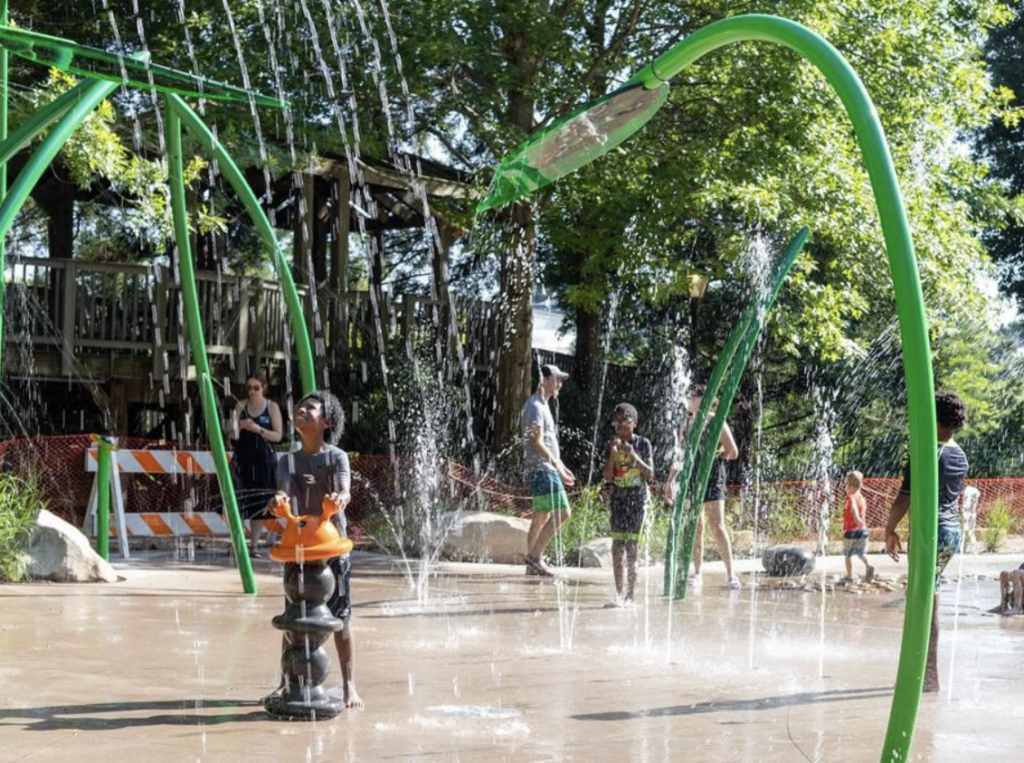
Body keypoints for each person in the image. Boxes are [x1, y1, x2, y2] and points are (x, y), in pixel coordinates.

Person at [269, 389, 363, 709]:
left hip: (332, 549)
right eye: (299, 407)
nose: (302, 410)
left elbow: (345, 490)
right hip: (298, 549)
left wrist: (340, 498)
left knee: (340, 616)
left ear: (326, 421)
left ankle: (350, 686)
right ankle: (284, 683)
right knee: (294, 615)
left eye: (311, 408)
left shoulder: (336, 457)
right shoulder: (288, 460)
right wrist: (279, 500)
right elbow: (282, 491)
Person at [884, 390, 968, 694]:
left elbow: (904, 497)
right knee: (929, 595)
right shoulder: (959, 453)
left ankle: (927, 675)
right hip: (951, 532)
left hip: (930, 533)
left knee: (923, 601)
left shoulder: (927, 452)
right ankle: (927, 672)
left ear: (932, 415)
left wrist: (889, 529)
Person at [663, 386, 741, 589]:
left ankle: (731, 574)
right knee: (695, 525)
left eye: (693, 396)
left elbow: (733, 452)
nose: (689, 399)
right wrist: (670, 480)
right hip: (691, 476)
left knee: (718, 525)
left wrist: (717, 454)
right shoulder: (686, 424)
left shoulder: (716, 420)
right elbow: (679, 455)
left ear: (704, 398)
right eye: (688, 396)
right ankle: (697, 572)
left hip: (712, 474)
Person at [521, 364, 576, 577]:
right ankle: (535, 557)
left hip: (543, 468)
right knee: (563, 513)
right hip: (542, 469)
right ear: (544, 380)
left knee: (541, 517)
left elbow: (545, 441)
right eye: (557, 379)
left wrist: (561, 466)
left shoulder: (542, 405)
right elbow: (535, 441)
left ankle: (532, 564)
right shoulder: (535, 406)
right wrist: (556, 466)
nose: (560, 383)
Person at [602, 403, 654, 606]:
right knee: (617, 547)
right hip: (618, 500)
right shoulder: (613, 445)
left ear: (635, 423)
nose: (621, 428)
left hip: (637, 500)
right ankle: (619, 594)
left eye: (625, 423)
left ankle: (630, 595)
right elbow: (607, 476)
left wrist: (633, 455)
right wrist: (613, 455)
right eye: (617, 424)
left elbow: (650, 473)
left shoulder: (643, 444)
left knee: (632, 547)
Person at [227, 373, 283, 555]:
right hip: (243, 457)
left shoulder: (272, 407)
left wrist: (258, 429)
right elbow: (230, 434)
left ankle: (253, 545)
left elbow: (278, 436)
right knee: (238, 499)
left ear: (264, 388)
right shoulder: (240, 405)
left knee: (259, 504)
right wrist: (240, 426)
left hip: (263, 460)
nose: (252, 391)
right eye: (249, 387)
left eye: (256, 388)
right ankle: (238, 542)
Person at [841, 470, 875, 583]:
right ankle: (869, 565)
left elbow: (854, 509)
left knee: (848, 555)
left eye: (846, 484)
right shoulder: (862, 498)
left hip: (851, 532)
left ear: (850, 485)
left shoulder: (850, 497)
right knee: (861, 553)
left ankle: (849, 576)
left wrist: (856, 518)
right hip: (863, 531)